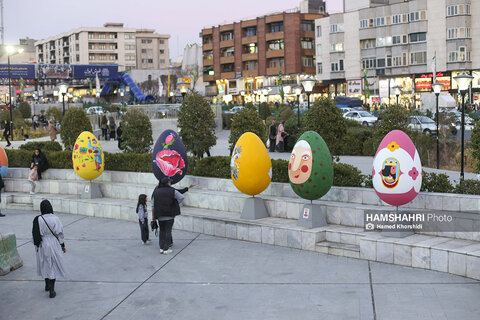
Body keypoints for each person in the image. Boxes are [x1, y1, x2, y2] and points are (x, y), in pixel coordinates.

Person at [32, 200, 67, 298]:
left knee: (45, 263)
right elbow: (60, 233)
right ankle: (52, 290)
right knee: (53, 265)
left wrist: (37, 246)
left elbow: (35, 235)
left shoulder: (38, 219)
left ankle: (47, 285)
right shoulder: (55, 218)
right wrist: (62, 245)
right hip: (54, 243)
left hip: (43, 244)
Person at [151, 177, 193, 254]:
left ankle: (161, 248)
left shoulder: (156, 191)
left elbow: (153, 205)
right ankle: (166, 249)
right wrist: (174, 203)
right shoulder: (172, 191)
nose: (170, 183)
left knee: (162, 231)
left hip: (160, 215)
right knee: (168, 231)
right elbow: (181, 197)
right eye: (169, 182)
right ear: (167, 183)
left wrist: (153, 217)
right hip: (170, 215)